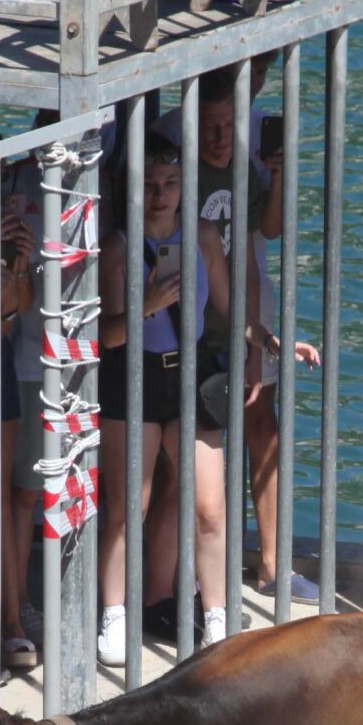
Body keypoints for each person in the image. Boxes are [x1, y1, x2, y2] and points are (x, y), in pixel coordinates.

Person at [155, 72, 320, 621]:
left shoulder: (239, 163)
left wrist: (276, 176)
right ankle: (186, 587)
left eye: (229, 125)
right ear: (191, 124)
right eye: (212, 126)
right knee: (187, 459)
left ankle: (272, 563)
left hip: (236, 310)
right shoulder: (181, 173)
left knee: (260, 425)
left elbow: (256, 240)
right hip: (186, 325)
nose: (222, 135)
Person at [95, 129, 235, 665]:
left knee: (209, 507)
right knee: (130, 506)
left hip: (189, 377)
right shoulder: (119, 246)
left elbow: (225, 307)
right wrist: (149, 301)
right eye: (151, 183)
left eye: (171, 182)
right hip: (133, 376)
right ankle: (115, 613)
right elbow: (107, 335)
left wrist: (263, 338)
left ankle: (217, 620)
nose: (161, 194)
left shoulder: (201, 236)